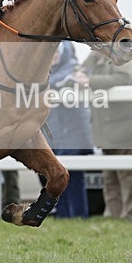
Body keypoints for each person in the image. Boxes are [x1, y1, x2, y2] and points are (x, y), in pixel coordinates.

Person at [75, 47, 132, 219]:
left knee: (128, 177)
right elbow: (79, 70)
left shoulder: (123, 54)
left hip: (123, 127)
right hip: (103, 130)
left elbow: (122, 78)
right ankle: (112, 215)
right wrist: (80, 76)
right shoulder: (94, 55)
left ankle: (129, 215)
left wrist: (89, 80)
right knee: (109, 178)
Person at [42, 41, 93, 218]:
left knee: (75, 178)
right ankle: (63, 216)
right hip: (55, 134)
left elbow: (67, 80)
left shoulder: (73, 70)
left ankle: (79, 215)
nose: (54, 54)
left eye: (57, 51)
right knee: (57, 177)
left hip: (73, 132)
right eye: (52, 51)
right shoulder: (45, 71)